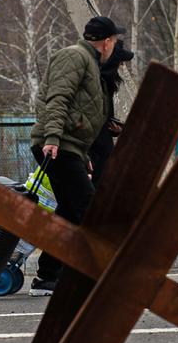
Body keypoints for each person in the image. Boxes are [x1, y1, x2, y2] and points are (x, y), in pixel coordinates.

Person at [28, 16, 123, 296]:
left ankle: (47, 277)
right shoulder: (74, 56)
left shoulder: (89, 62)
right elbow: (58, 97)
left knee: (69, 212)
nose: (114, 47)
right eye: (114, 41)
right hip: (58, 146)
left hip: (71, 148)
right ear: (106, 42)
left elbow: (81, 110)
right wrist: (54, 138)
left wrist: (82, 152)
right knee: (88, 209)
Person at [88, 39, 133, 184]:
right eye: (120, 61)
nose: (122, 65)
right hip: (93, 149)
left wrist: (114, 129)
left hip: (100, 146)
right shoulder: (99, 82)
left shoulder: (106, 84)